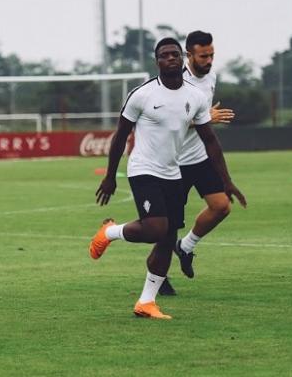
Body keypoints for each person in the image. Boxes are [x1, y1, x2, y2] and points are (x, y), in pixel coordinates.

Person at [90, 37, 245, 319]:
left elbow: (210, 141)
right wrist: (110, 176)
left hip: (174, 172)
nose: (171, 58)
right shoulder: (142, 95)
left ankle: (146, 302)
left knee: (166, 238)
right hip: (143, 169)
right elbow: (121, 135)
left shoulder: (195, 97)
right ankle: (109, 232)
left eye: (174, 54)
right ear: (157, 61)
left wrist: (227, 181)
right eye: (165, 55)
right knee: (154, 229)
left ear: (180, 58)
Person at [161, 31, 245, 296]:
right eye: (203, 56)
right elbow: (170, 122)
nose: (209, 60)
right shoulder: (175, 80)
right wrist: (206, 116)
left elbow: (202, 124)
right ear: (189, 55)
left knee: (221, 207)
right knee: (168, 223)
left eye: (211, 55)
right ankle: (158, 275)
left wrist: (205, 119)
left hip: (199, 157)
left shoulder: (211, 77)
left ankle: (185, 247)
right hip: (175, 162)